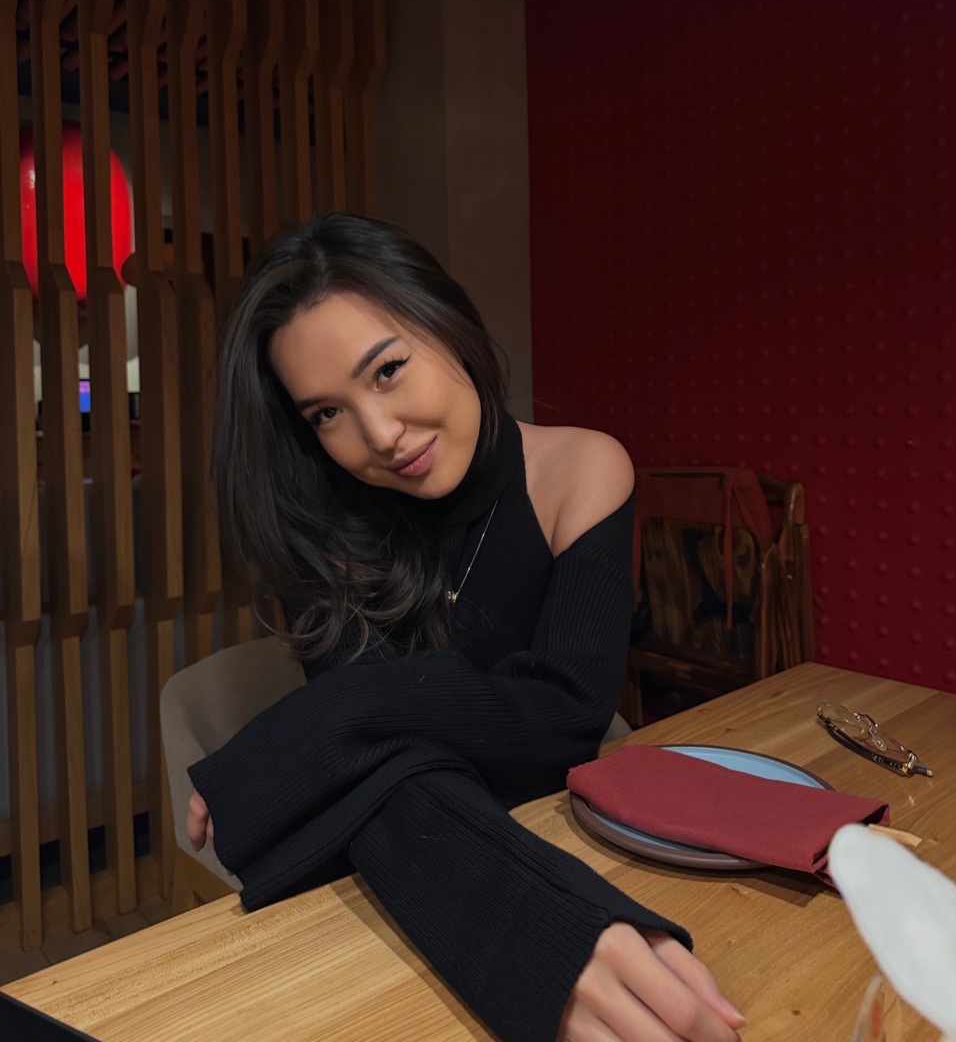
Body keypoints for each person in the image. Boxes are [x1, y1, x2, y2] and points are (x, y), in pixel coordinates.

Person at [185, 212, 746, 1042]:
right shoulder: (327, 523)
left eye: (388, 370)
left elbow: (562, 717)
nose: (379, 436)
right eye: (327, 414)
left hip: (566, 830)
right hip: (391, 883)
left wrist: (323, 720)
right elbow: (381, 775)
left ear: (447, 320)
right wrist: (534, 928)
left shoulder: (582, 468)